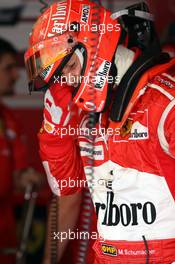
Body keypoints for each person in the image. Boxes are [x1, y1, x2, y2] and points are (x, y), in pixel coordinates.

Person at [25, 0, 175, 263]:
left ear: (95, 47)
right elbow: (67, 193)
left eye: (69, 68)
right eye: (59, 78)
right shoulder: (82, 116)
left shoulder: (165, 104)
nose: (68, 82)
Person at [0, 38, 44, 263]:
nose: (16, 75)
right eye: (8, 68)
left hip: (6, 232)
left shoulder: (9, 120)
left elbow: (17, 178)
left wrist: (27, 178)